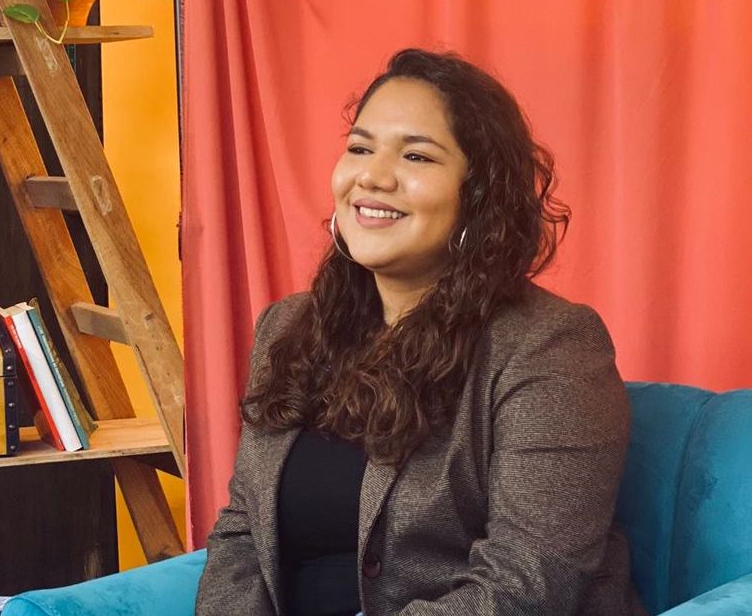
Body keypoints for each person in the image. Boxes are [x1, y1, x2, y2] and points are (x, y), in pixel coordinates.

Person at [196, 49, 646, 615]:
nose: (372, 176)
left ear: (478, 197)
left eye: (416, 156)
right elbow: (244, 533)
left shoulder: (551, 348)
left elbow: (530, 584)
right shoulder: (289, 327)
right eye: (359, 148)